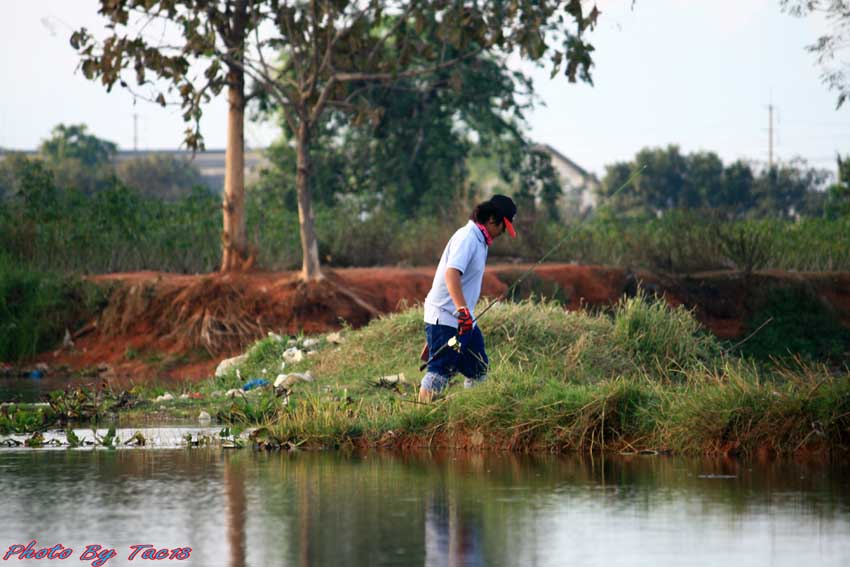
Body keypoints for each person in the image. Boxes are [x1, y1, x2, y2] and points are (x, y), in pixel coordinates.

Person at [418, 194, 517, 403]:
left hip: (464, 322)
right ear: (492, 219)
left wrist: (465, 315)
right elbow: (451, 273)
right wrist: (462, 311)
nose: (503, 233)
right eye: (503, 227)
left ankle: (472, 412)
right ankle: (418, 418)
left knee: (478, 368)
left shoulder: (481, 241)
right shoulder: (468, 238)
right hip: (446, 318)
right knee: (441, 371)